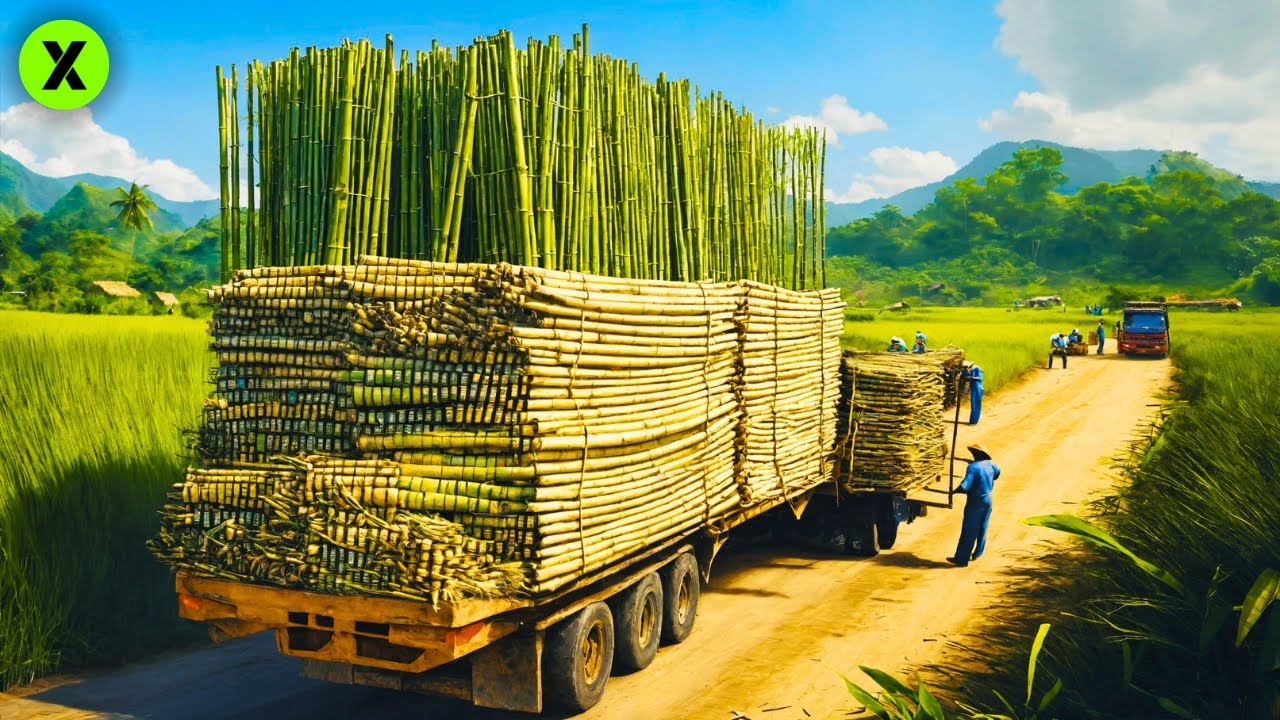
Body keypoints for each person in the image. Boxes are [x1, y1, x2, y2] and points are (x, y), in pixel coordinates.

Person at [948, 444, 1000, 567]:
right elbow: (997, 474)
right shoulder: (992, 465)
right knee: (983, 526)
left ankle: (961, 559)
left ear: (976, 455)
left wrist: (953, 491)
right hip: (988, 499)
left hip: (975, 501)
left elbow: (965, 486)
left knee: (969, 530)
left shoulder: (972, 467)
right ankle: (977, 553)